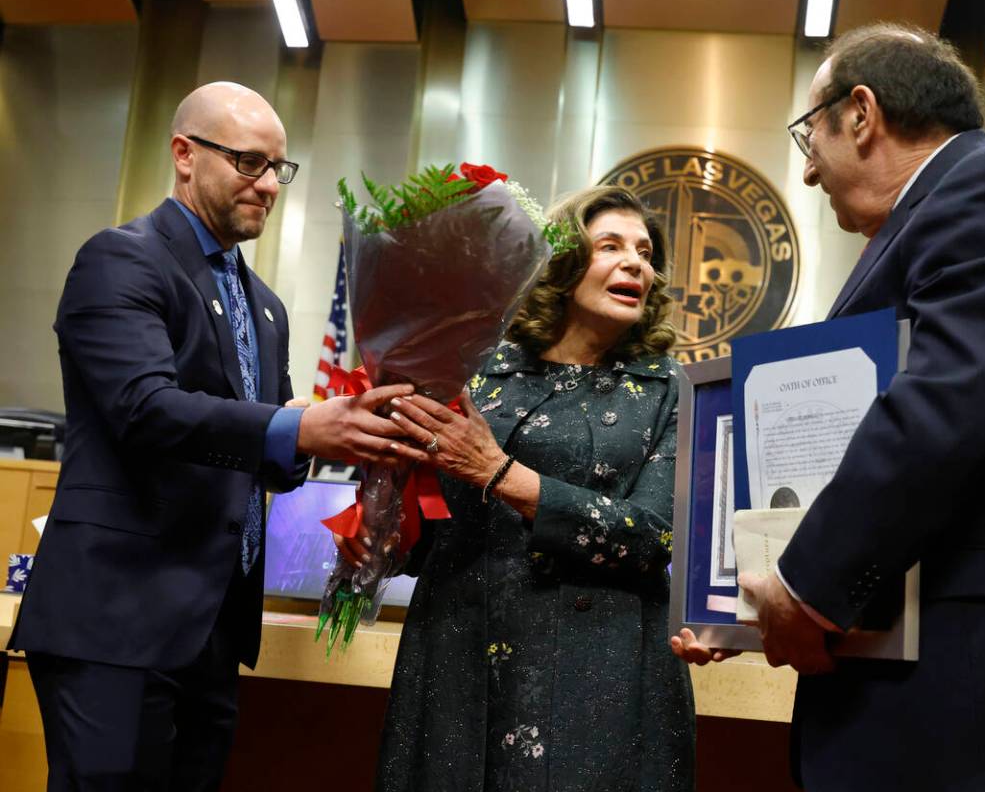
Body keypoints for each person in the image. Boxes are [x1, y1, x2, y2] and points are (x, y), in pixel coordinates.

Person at [673, 24, 985, 791]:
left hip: (965, 690)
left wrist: (801, 589)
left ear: (861, 113)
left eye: (808, 134)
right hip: (912, 687)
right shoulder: (935, 217)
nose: (807, 172)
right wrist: (741, 602)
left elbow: (943, 415)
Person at [9, 81, 413, 790]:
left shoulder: (266, 307)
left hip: (213, 632)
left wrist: (335, 439)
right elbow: (145, 408)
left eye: (278, 169)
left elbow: (267, 457)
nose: (267, 185)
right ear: (184, 154)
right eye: (249, 162)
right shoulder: (121, 259)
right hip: (116, 621)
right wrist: (300, 425)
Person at [350, 186, 695, 791]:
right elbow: (434, 530)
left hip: (601, 672)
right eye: (610, 246)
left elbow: (657, 535)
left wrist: (502, 475)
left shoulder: (669, 386)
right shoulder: (475, 367)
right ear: (562, 265)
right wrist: (383, 538)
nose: (635, 263)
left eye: (644, 252)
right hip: (458, 649)